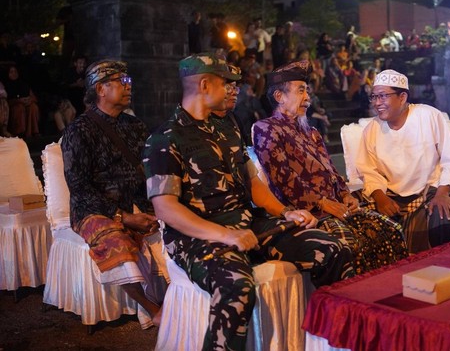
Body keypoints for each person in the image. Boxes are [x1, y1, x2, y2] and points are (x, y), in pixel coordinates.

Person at [143, 53, 354, 350]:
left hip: (246, 223)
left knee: (332, 249)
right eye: (226, 83)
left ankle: (334, 341)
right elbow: (165, 208)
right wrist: (225, 235)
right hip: (197, 235)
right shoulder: (165, 138)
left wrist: (286, 212)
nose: (234, 89)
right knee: (236, 286)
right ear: (205, 85)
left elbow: (253, 182)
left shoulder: (227, 126)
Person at [253, 61, 407, 274]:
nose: (307, 98)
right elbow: (284, 180)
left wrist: (346, 196)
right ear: (280, 97)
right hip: (310, 214)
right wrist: (323, 203)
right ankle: (355, 304)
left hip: (338, 208)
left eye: (307, 91)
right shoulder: (266, 129)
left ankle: (389, 297)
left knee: (391, 231)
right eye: (301, 91)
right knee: (352, 246)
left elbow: (332, 171)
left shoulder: (311, 131)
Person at [61, 60, 167, 328]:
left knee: (181, 224)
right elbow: (79, 187)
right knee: (115, 240)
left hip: (137, 202)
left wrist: (159, 203)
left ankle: (182, 299)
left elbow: (149, 168)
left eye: (128, 81)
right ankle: (153, 309)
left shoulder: (135, 126)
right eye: (121, 82)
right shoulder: (79, 130)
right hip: (95, 209)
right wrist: (124, 217)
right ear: (100, 88)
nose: (128, 86)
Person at [355, 69, 450, 254]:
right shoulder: (371, 129)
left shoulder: (428, 116)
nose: (377, 103)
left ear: (402, 97)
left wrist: (443, 193)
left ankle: (445, 271)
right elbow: (368, 171)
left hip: (429, 190)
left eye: (383, 96)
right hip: (391, 194)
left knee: (442, 215)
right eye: (374, 97)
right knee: (357, 213)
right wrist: (381, 198)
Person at [5, 64, 40, 138]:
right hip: (14, 106)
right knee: (19, 108)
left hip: (26, 104)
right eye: (11, 72)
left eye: (15, 72)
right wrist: (18, 101)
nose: (14, 74)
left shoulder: (23, 84)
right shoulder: (6, 86)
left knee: (33, 107)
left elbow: (34, 97)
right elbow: (6, 101)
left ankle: (33, 132)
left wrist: (30, 100)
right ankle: (20, 133)